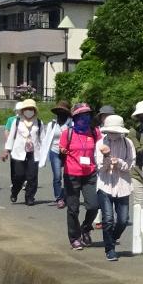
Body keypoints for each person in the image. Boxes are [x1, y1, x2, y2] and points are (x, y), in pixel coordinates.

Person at [93, 113, 136, 261]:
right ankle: (110, 249)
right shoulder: (100, 143)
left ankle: (112, 238)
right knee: (108, 219)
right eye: (111, 131)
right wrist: (106, 158)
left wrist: (118, 162)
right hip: (105, 184)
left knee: (123, 219)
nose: (113, 134)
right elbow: (99, 168)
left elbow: (131, 165)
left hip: (123, 185)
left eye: (116, 131)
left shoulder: (128, 143)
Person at [58, 102, 100, 248]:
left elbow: (101, 148)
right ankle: (74, 238)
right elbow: (61, 149)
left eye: (87, 115)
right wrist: (63, 151)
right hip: (72, 174)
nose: (85, 118)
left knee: (94, 205)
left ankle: (86, 228)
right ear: (75, 118)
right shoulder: (67, 133)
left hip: (90, 174)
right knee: (73, 208)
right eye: (81, 116)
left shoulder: (95, 132)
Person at [4, 97, 44, 205]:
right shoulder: (17, 122)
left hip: (33, 153)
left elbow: (42, 139)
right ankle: (15, 191)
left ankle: (29, 197)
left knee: (32, 176)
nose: (29, 111)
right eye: (27, 108)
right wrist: (6, 151)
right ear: (23, 110)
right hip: (18, 152)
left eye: (31, 108)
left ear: (34, 110)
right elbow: (11, 136)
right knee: (19, 175)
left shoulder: (39, 123)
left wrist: (44, 155)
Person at [41, 102, 69, 208]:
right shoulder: (52, 124)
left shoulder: (71, 124)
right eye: (59, 112)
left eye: (63, 112)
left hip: (67, 153)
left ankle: (66, 195)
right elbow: (46, 139)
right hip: (55, 151)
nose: (61, 114)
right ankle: (59, 198)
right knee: (57, 176)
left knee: (68, 176)